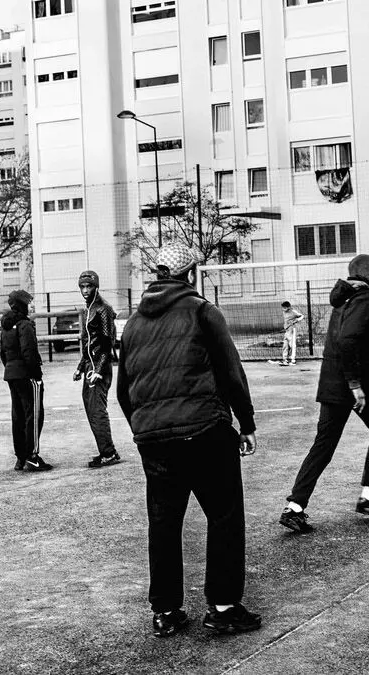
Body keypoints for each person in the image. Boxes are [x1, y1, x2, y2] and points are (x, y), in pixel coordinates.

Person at [116, 243, 261, 637]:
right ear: (191, 273)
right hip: (204, 431)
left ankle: (165, 610)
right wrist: (246, 423)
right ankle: (223, 607)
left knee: (164, 523)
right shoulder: (202, 311)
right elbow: (231, 373)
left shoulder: (134, 323)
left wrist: (144, 427)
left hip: (154, 440)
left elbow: (124, 391)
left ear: (158, 275)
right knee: (224, 515)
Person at [280, 254, 369, 534]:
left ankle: (294, 507)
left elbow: (359, 336)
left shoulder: (343, 298)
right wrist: (355, 385)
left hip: (331, 382)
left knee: (323, 445)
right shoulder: (367, 298)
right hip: (357, 383)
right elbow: (348, 340)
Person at [74, 270, 121, 468]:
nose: (85, 290)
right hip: (90, 366)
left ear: (96, 287)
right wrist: (80, 367)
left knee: (97, 410)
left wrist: (99, 370)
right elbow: (88, 343)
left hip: (99, 367)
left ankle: (108, 453)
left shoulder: (103, 309)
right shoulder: (88, 309)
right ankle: (107, 451)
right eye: (82, 286)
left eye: (89, 286)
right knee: (91, 410)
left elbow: (107, 342)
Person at [0, 289, 50, 472]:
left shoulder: (6, 326)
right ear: (22, 305)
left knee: (18, 416)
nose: (30, 306)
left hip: (11, 374)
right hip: (27, 375)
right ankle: (32, 456)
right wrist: (36, 374)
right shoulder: (25, 325)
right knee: (34, 415)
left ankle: (20, 457)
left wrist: (11, 368)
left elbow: (3, 353)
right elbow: (29, 352)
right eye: (28, 303)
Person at [279, 300, 304, 366]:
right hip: (287, 330)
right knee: (285, 345)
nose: (283, 309)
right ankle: (285, 359)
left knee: (292, 344)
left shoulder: (293, 312)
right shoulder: (284, 312)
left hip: (292, 330)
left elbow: (302, 316)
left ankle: (293, 360)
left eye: (285, 307)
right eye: (283, 307)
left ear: (289, 307)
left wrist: (297, 320)